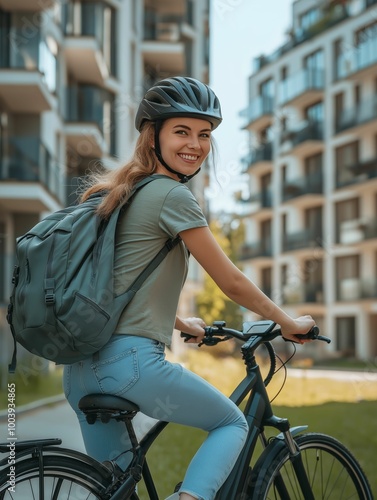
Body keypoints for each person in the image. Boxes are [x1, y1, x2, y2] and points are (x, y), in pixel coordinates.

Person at [63, 76, 316, 500]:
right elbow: (231, 281)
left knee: (117, 490)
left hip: (80, 372)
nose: (195, 145)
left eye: (204, 135)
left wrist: (182, 321)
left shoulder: (117, 194)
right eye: (182, 131)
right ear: (152, 136)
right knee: (231, 423)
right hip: (130, 367)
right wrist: (288, 322)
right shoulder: (171, 195)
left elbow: (113, 284)